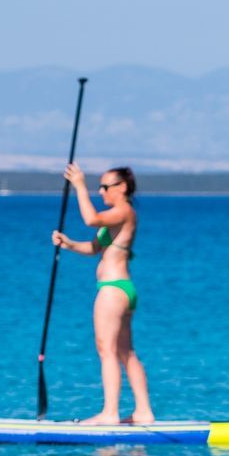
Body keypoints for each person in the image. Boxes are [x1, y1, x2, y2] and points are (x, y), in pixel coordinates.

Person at [52, 163, 154, 425]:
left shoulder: (123, 211)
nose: (101, 192)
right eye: (99, 187)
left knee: (105, 349)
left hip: (113, 290)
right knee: (124, 352)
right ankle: (143, 412)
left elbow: (90, 220)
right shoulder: (117, 217)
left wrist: (79, 186)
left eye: (105, 187)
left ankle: (109, 413)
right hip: (122, 290)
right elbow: (96, 247)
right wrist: (69, 243)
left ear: (122, 187)